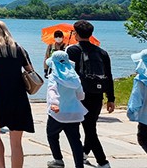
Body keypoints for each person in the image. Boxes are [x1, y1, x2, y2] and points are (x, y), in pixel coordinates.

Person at [0, 20, 35, 168]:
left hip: (0, 94)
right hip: (18, 95)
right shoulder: (19, 49)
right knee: (16, 143)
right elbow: (30, 70)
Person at [66, 20, 114, 168]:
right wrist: (110, 98)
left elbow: (67, 75)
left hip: (80, 95)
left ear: (76, 34)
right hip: (97, 94)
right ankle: (85, 153)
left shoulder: (72, 50)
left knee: (88, 129)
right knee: (90, 125)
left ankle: (103, 162)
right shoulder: (102, 52)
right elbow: (109, 76)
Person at [45, 51, 88, 168]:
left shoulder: (54, 76)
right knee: (75, 140)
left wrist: (54, 103)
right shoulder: (75, 77)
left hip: (58, 113)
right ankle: (79, 165)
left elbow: (51, 90)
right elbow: (80, 95)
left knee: (51, 135)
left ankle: (58, 159)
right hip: (74, 113)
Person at [127, 49, 147, 168]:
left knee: (143, 140)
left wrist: (131, 113)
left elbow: (136, 99)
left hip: (146, 118)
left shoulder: (140, 80)